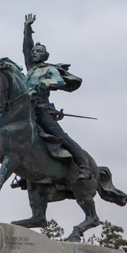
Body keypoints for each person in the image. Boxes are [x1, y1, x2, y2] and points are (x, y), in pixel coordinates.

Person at [23, 14, 92, 181]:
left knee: (61, 137)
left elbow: (60, 81)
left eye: (38, 51)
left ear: (45, 56)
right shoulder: (30, 69)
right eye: (33, 52)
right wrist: (27, 29)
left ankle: (84, 165)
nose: (34, 53)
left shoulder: (49, 69)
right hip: (26, 108)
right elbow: (26, 48)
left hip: (41, 108)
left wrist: (47, 82)